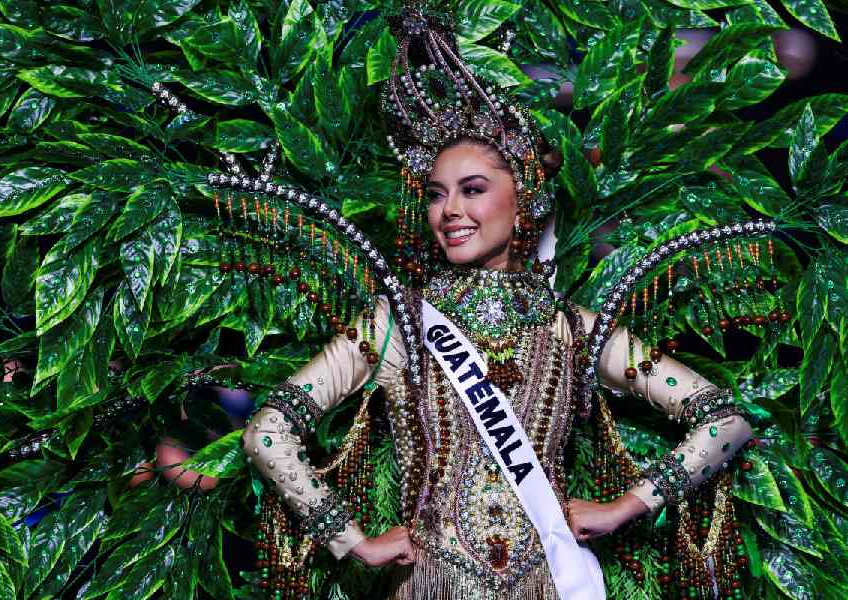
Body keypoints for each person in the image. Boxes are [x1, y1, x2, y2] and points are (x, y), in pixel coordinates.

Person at [242, 10, 752, 600]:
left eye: (473, 190)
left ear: (524, 197)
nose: (449, 211)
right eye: (436, 195)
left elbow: (725, 420)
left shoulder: (572, 328)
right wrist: (353, 539)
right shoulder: (396, 324)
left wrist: (625, 507)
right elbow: (268, 432)